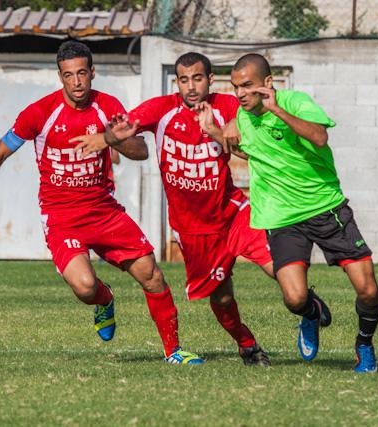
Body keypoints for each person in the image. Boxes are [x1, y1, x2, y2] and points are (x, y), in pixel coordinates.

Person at [0, 41, 203, 365]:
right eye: (69, 75)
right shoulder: (40, 113)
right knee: (85, 287)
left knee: (152, 275)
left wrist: (113, 138)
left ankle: (173, 351)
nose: (77, 82)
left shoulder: (107, 106)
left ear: (92, 72)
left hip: (105, 212)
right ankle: (105, 299)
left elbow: (142, 151)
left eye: (82, 73)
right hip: (62, 218)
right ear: (60, 76)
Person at [79, 52, 287, 366]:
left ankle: (306, 307)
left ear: (210, 80)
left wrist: (235, 121)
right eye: (184, 79)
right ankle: (247, 346)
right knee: (222, 298)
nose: (191, 86)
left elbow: (256, 113)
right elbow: (128, 130)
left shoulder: (227, 105)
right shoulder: (162, 109)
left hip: (232, 212)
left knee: (279, 267)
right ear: (177, 82)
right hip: (193, 230)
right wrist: (109, 137)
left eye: (198, 78)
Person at [228, 53, 378, 373]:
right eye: (236, 87)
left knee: (368, 291)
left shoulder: (295, 102)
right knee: (295, 299)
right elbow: (255, 151)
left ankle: (364, 344)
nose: (240, 93)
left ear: (267, 83)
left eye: (247, 85)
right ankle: (312, 314)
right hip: (282, 218)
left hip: (326, 208)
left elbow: (319, 137)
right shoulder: (242, 116)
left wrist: (276, 109)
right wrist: (222, 132)